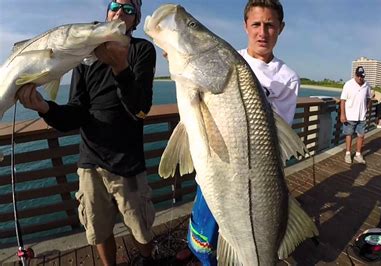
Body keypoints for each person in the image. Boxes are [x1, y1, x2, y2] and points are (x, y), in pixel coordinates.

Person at [16, 1, 158, 265]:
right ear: (106, 12)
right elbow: (77, 111)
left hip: (129, 164)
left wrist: (120, 67)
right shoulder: (84, 57)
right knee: (99, 230)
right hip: (90, 163)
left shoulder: (141, 50)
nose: (119, 12)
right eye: (115, 5)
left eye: (129, 9)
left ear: (135, 20)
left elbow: (140, 109)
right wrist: (44, 107)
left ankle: (147, 259)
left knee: (141, 228)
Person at [178, 1, 299, 265]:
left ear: (281, 28)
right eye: (256, 24)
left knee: (241, 248)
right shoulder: (228, 58)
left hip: (252, 178)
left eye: (270, 25)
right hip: (214, 174)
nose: (262, 32)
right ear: (245, 26)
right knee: (202, 244)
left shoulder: (288, 77)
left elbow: (277, 139)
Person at [340, 66, 372, 164]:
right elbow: (343, 100)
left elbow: (369, 98)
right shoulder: (348, 84)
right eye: (358, 76)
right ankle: (348, 153)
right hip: (349, 115)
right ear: (355, 75)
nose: (360, 78)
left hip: (362, 116)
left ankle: (358, 154)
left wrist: (366, 108)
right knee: (349, 134)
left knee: (361, 135)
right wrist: (342, 114)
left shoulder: (367, 85)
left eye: (361, 76)